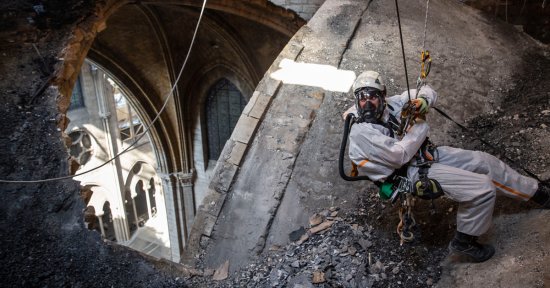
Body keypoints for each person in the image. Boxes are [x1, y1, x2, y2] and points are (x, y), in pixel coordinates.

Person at [342, 70, 550, 263]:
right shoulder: (362, 132)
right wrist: (419, 126)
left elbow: (425, 89)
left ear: (383, 96)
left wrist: (423, 101)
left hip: (423, 155)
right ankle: (464, 242)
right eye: (362, 97)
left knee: (484, 161)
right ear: (356, 100)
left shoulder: (392, 105)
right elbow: (399, 156)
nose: (367, 103)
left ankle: (537, 193)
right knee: (482, 189)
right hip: (408, 173)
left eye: (372, 96)